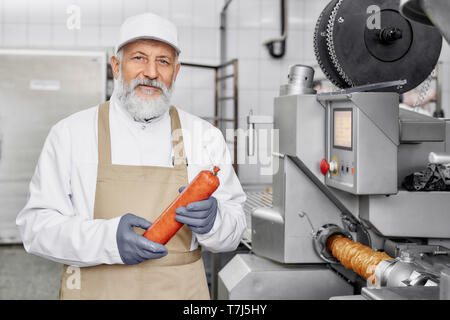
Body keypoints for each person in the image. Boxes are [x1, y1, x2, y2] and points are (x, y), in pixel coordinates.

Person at [16, 12, 247, 300]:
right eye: (138, 58)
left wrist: (216, 221)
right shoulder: (71, 133)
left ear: (176, 72)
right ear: (116, 65)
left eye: (163, 61)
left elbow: (235, 231)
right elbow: (36, 229)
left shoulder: (205, 136)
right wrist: (108, 239)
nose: (151, 72)